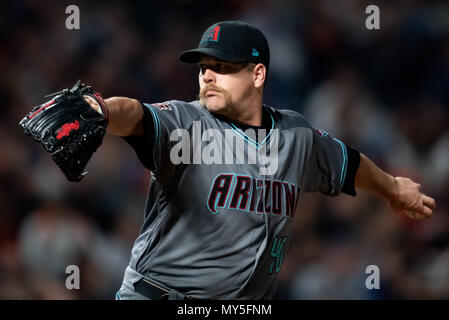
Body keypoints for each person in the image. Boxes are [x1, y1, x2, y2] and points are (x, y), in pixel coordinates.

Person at [87, 21, 435, 300]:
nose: (207, 76)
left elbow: (349, 163)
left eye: (221, 67)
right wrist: (101, 110)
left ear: (257, 74)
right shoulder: (186, 121)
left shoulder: (296, 135)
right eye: (204, 67)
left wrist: (393, 188)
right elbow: (135, 115)